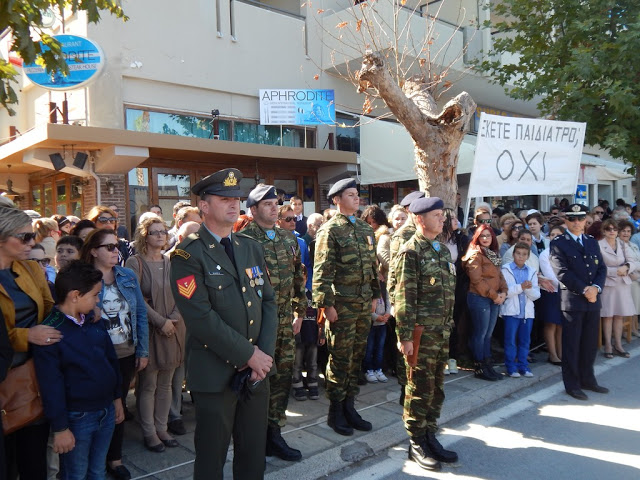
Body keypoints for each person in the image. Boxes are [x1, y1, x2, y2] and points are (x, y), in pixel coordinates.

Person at [170, 168, 277, 479]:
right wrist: (249, 355)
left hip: (257, 372)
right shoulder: (188, 254)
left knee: (253, 454)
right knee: (211, 457)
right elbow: (200, 319)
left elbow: (268, 301)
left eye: (236, 199)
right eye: (224, 199)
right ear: (204, 206)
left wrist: (263, 357)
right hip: (215, 375)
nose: (234, 204)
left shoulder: (250, 247)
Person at [33, 261, 124, 480]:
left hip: (106, 409)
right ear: (75, 295)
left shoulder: (94, 320)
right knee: (75, 473)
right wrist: (61, 427)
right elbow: (50, 383)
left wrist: (117, 397)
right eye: (94, 295)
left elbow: (111, 360)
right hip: (78, 416)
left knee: (97, 470)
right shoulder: (51, 331)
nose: (98, 300)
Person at [240, 185, 305, 462]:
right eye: (266, 204)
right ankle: (254, 438)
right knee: (257, 381)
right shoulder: (242, 241)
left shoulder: (288, 238)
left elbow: (298, 279)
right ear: (253, 210)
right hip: (257, 326)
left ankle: (275, 433)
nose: (273, 208)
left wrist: (300, 312)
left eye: (274, 203)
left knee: (282, 379)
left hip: (285, 323)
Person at [394, 197, 458, 471]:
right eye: (436, 215)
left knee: (437, 387)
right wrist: (405, 337)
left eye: (442, 214)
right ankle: (416, 441)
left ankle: (430, 433)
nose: (442, 219)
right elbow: (404, 298)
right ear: (420, 219)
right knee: (418, 388)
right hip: (420, 333)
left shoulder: (441, 250)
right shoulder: (411, 252)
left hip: (440, 332)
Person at [313, 178, 380, 436]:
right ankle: (335, 412)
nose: (356, 198)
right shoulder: (329, 230)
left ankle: (350, 407)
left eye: (357, 194)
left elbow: (373, 268)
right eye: (350, 195)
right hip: (341, 306)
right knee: (339, 359)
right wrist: (326, 306)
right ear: (336, 199)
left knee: (355, 359)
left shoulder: (365, 229)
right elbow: (321, 272)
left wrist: (375, 294)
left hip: (363, 305)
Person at [80, 229, 149, 479]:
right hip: (95, 355)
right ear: (93, 251)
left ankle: (115, 459)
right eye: (108, 247)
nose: (115, 251)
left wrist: (142, 350)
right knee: (97, 408)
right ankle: (91, 460)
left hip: (125, 352)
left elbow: (140, 313)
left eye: (116, 246)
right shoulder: (81, 279)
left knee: (118, 406)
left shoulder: (127, 276)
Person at [0, 206, 56, 479]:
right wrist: (27, 336)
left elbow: (49, 308)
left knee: (34, 461)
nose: (32, 243)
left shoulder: (31, 269)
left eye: (32, 236)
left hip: (33, 375)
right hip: (4, 375)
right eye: (23, 238)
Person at [125, 217, 185, 453]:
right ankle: (149, 431)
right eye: (154, 232)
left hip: (173, 329)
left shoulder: (172, 262)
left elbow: (185, 291)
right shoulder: (134, 262)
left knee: (167, 383)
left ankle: (162, 428)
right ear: (144, 236)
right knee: (148, 383)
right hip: (150, 330)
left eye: (162, 231)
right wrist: (161, 321)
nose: (160, 236)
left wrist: (173, 318)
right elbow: (135, 299)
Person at [549, 204, 608, 400]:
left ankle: (588, 379)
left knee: (590, 344)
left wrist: (596, 289)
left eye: (580, 219)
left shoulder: (591, 241)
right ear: (566, 221)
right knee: (572, 345)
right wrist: (585, 289)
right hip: (573, 300)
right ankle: (572, 384)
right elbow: (562, 272)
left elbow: (601, 269)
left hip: (593, 300)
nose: (576, 223)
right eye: (572, 219)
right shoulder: (559, 243)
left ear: (585, 220)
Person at [387, 190, 425, 405]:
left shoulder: (428, 234)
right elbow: (395, 274)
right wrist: (396, 303)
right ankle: (406, 391)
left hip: (427, 305)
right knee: (408, 351)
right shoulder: (402, 235)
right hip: (408, 303)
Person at [462, 224, 507, 381]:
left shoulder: (493, 253)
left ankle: (488, 365)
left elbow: (499, 276)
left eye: (489, 235)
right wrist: (494, 295)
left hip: (493, 298)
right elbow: (477, 280)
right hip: (479, 297)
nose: (486, 238)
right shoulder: (475, 254)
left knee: (488, 334)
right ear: (477, 238)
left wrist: (504, 292)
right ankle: (480, 367)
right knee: (480, 334)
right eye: (483, 236)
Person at [597, 219, 637, 358]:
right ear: (604, 231)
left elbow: (633, 261)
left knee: (619, 315)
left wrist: (626, 267)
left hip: (623, 283)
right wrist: (615, 271)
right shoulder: (599, 245)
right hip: (608, 284)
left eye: (614, 229)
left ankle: (618, 344)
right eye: (609, 229)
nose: (612, 231)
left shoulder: (622, 244)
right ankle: (608, 344)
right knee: (608, 316)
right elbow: (598, 267)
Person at [361, 205, 392, 384]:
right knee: (370, 343)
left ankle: (379, 367)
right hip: (372, 315)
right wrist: (375, 316)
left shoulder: (384, 236)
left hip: (383, 312)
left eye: (374, 223)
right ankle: (369, 369)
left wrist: (387, 313)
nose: (371, 226)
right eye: (369, 222)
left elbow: (386, 296)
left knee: (380, 344)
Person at [500, 243, 541, 378]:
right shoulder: (506, 269)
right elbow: (506, 292)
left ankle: (523, 366)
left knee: (525, 341)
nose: (521, 257)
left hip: (527, 313)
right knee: (510, 341)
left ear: (528, 256)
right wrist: (521, 287)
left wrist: (528, 288)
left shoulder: (531, 271)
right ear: (513, 254)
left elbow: (536, 295)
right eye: (518, 253)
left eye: (524, 254)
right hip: (511, 312)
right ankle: (511, 367)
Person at [438, 208, 470, 374]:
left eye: (457, 218)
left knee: (455, 323)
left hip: (457, 286)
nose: (456, 221)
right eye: (452, 219)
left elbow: (465, 262)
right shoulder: (437, 239)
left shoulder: (461, 239)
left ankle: (452, 357)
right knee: (441, 323)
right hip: (440, 286)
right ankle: (441, 358)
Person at [292, 264, 323, 401]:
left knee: (312, 362)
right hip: (298, 335)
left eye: (303, 278)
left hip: (312, 333)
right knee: (297, 362)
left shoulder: (312, 295)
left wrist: (321, 332)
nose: (302, 281)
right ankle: (297, 384)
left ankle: (312, 383)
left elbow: (319, 316)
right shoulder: (292, 297)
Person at [538, 225, 565, 365]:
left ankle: (561, 353)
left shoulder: (566, 252)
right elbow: (550, 276)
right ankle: (552, 354)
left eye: (557, 234)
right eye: (552, 234)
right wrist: (568, 284)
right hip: (551, 292)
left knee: (561, 325)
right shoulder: (545, 254)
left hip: (565, 293)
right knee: (551, 324)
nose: (554, 237)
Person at [618, 220, 640, 337]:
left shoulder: (633, 245)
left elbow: (637, 262)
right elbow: (626, 264)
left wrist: (635, 266)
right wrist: (635, 267)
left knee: (637, 304)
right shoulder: (618, 245)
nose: (626, 233)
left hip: (637, 276)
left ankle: (634, 327)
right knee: (632, 305)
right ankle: (629, 329)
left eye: (628, 231)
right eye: (623, 231)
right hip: (628, 279)